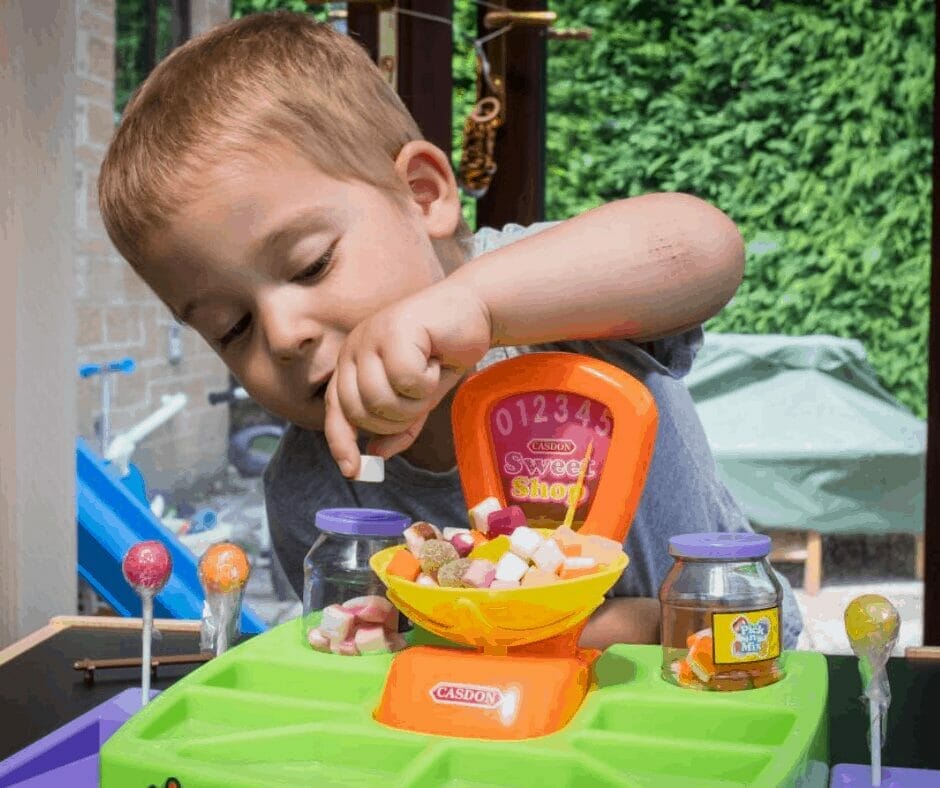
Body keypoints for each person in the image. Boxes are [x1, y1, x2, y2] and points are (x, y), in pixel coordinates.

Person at [98, 12, 803, 649]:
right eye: (232, 327)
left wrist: (479, 304)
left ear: (423, 196)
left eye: (311, 265)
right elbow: (370, 661)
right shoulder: (315, 493)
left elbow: (705, 249)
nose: (282, 335)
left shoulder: (545, 297)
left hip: (728, 683)